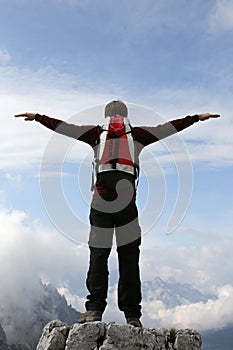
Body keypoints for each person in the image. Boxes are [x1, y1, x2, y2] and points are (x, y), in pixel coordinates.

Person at [15, 101, 220, 328]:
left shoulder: (95, 133)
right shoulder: (137, 135)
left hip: (101, 204)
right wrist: (195, 118)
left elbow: (64, 127)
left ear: (106, 117)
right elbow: (167, 128)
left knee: (98, 256)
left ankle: (94, 310)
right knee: (129, 259)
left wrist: (38, 117)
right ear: (125, 116)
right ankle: (132, 315)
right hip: (127, 207)